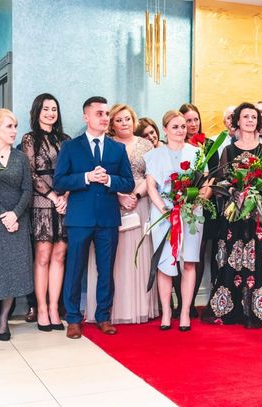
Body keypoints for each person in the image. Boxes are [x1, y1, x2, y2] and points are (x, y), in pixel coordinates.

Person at [201, 102, 262, 327]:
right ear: (238, 121)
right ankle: (235, 308)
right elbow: (221, 182)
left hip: (259, 216)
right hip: (236, 215)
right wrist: (236, 192)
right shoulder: (229, 151)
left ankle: (260, 308)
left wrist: (260, 194)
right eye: (246, 117)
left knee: (261, 259)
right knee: (236, 258)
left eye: (254, 117)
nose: (251, 120)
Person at [53, 96, 135, 339]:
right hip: (79, 218)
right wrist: (86, 177)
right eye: (99, 113)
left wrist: (109, 180)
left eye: (106, 113)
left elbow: (128, 182)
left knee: (106, 270)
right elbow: (59, 182)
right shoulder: (70, 147)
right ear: (86, 117)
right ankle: (73, 319)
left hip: (108, 218)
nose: (105, 117)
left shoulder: (117, 148)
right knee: (74, 270)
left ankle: (103, 317)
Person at [86, 104, 158, 324]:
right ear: (112, 124)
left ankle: (139, 307)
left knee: (139, 254)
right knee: (114, 257)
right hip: (112, 201)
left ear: (133, 121)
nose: (124, 123)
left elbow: (152, 175)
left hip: (142, 201)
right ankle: (112, 309)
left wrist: (135, 195)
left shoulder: (146, 145)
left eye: (127, 119)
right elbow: (100, 176)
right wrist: (120, 196)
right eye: (118, 120)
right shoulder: (106, 144)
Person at [145, 110, 207, 331]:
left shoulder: (197, 153)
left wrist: (195, 202)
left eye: (183, 126)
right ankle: (166, 312)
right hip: (163, 214)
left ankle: (185, 312)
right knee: (164, 264)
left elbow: (205, 184)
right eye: (175, 127)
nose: (180, 130)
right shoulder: (154, 155)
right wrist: (164, 209)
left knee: (189, 261)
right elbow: (151, 186)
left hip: (190, 213)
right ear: (165, 129)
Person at [21, 93, 70, 331]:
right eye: (46, 109)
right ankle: (41, 308)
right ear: (37, 112)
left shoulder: (66, 140)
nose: (51, 113)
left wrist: (65, 196)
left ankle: (53, 308)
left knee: (60, 255)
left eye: (54, 109)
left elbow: (73, 171)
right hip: (41, 202)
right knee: (42, 256)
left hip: (65, 202)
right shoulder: (29, 139)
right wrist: (53, 196)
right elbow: (30, 173)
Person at [0, 109, 33, 342]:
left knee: (13, 270)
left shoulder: (20, 157)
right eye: (9, 126)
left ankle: (4, 319)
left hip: (17, 219)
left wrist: (14, 214)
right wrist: (2, 215)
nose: (14, 131)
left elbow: (27, 190)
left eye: (15, 126)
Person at [178, 103, 219, 318]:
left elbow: (214, 175)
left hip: (204, 205)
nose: (193, 124)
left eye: (196, 119)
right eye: (188, 121)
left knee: (198, 254)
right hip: (180, 206)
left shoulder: (209, 145)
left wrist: (203, 197)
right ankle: (180, 302)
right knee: (178, 254)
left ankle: (191, 302)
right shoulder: (175, 143)